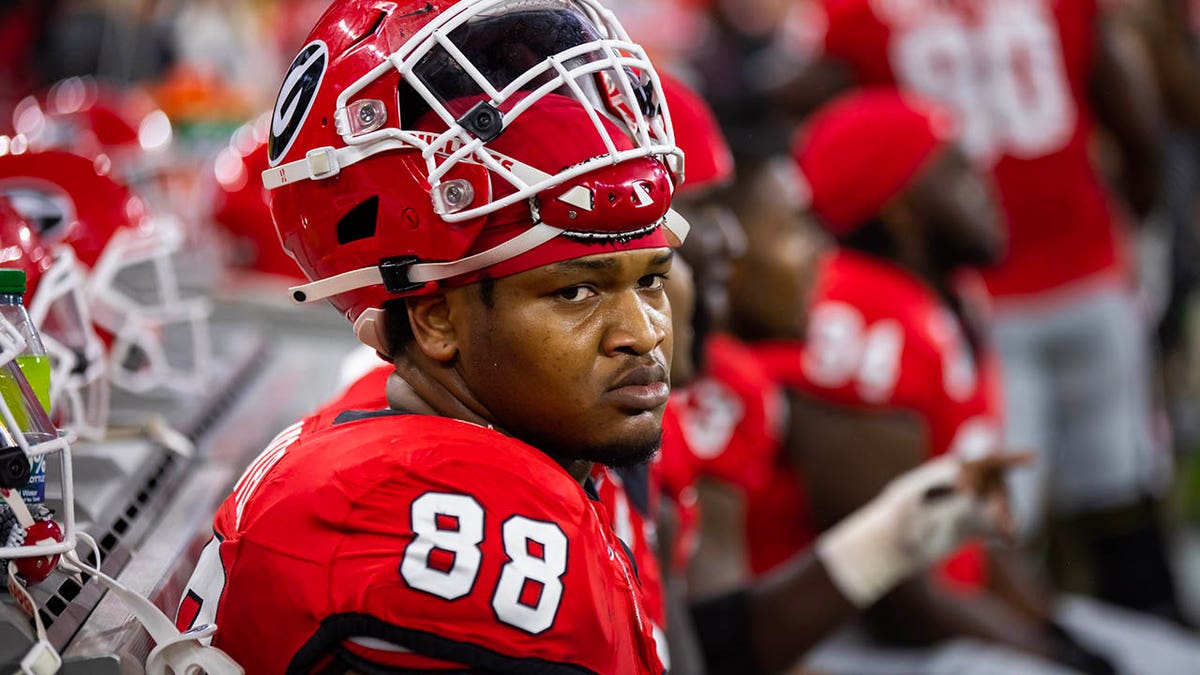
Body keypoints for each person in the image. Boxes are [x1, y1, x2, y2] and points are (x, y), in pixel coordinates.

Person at [174, 2, 1024, 672]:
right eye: (577, 291)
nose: (643, 330)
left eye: (650, 277)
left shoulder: (555, 432)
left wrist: (894, 535)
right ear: (433, 317)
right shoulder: (442, 523)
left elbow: (671, 649)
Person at [748, 87, 1200, 675]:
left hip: (945, 616)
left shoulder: (950, 301)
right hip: (851, 642)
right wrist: (1053, 654)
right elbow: (892, 587)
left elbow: (966, 546)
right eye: (957, 170)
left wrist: (1055, 634)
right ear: (900, 207)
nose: (986, 186)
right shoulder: (854, 320)